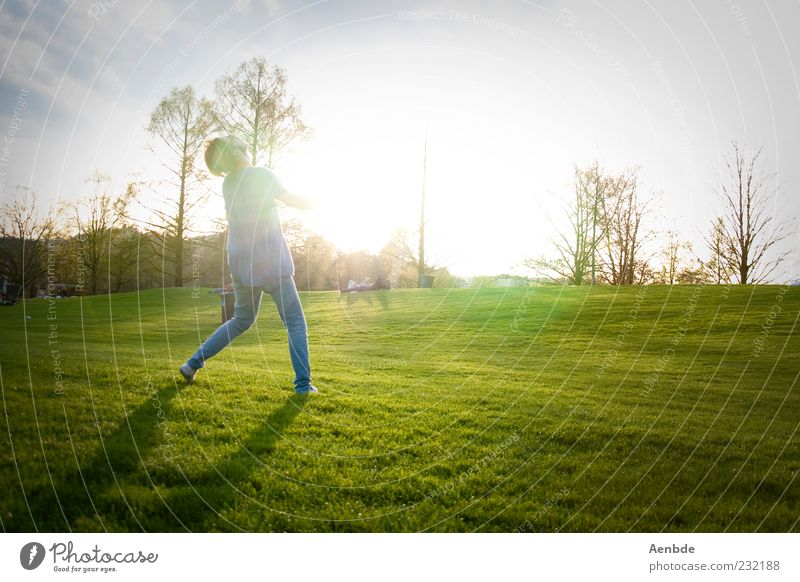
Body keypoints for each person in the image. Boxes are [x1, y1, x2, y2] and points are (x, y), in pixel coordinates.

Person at [179, 136, 318, 394]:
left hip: (241, 264)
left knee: (241, 320)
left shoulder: (228, 184)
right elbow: (292, 201)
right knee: (295, 322)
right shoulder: (262, 175)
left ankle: (192, 363)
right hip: (270, 262)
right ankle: (303, 385)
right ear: (236, 150)